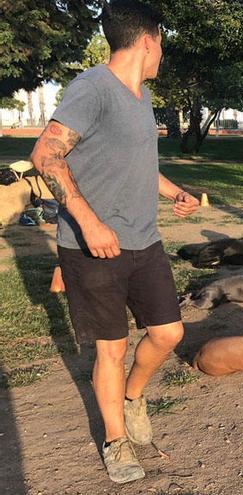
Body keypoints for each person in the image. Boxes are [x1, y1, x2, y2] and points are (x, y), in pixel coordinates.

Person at [28, 0, 200, 484]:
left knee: (168, 333)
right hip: (92, 246)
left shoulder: (141, 96)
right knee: (112, 348)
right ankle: (115, 439)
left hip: (144, 240)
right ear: (149, 40)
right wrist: (89, 222)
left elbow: (138, 162)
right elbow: (45, 155)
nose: (162, 52)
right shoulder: (92, 88)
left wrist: (174, 191)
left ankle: (132, 396)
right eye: (162, 42)